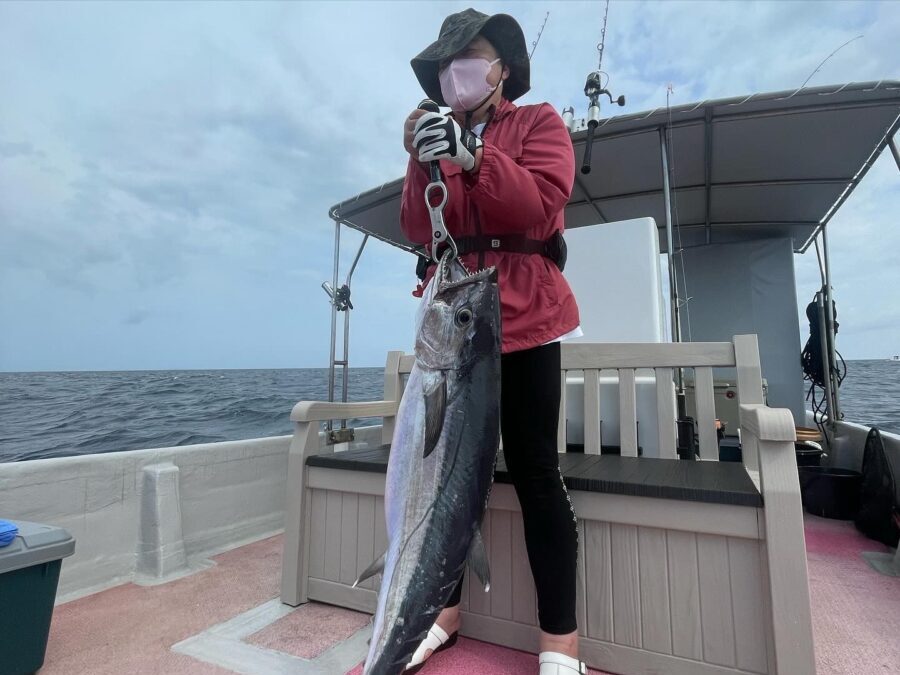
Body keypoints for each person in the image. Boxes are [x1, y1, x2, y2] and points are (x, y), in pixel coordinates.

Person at [400, 9, 585, 675]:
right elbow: (415, 225)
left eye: (472, 56)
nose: (459, 72)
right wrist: (419, 158)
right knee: (448, 478)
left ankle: (561, 644)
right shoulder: (436, 134)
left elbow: (538, 201)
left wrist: (472, 154)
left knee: (536, 471)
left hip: (527, 318)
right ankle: (441, 613)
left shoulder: (540, 125)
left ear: (502, 66)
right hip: (456, 328)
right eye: (448, 63)